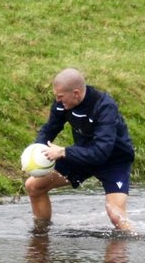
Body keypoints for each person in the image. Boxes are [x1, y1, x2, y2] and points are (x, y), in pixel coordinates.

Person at [25, 68, 135, 232]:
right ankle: (41, 234)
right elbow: (49, 129)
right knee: (33, 186)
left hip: (114, 162)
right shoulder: (63, 103)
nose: (57, 100)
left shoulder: (104, 107)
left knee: (116, 215)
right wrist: (34, 157)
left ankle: (134, 240)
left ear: (76, 93)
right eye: (56, 96)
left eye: (60, 96)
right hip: (82, 156)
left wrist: (63, 152)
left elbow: (101, 152)